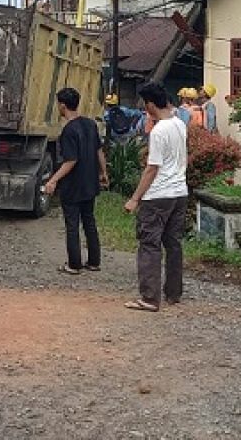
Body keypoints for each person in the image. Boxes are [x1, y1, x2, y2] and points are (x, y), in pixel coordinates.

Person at [123, 81, 188, 312]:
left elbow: (152, 168)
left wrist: (135, 198)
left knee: (149, 244)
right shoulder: (179, 123)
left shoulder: (159, 131)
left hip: (158, 195)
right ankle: (173, 292)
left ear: (150, 104)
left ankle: (149, 298)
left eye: (145, 104)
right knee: (173, 243)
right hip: (180, 192)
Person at [43, 87, 108, 275]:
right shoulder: (90, 124)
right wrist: (103, 172)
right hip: (90, 183)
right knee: (89, 221)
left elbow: (71, 160)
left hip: (73, 186)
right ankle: (94, 261)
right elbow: (98, 151)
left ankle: (74, 264)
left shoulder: (68, 131)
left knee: (72, 225)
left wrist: (53, 180)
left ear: (62, 106)